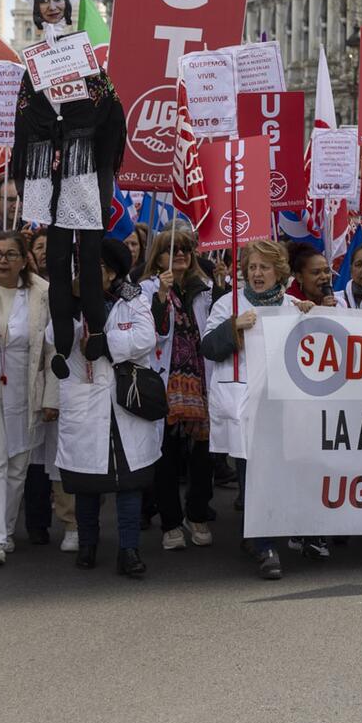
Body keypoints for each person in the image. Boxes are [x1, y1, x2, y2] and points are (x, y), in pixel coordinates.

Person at [11, 0, 127, 383]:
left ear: (68, 2)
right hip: (48, 166)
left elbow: (110, 108)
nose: (53, 5)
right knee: (57, 256)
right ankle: (62, 340)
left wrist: (81, 129)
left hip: (80, 164)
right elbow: (25, 114)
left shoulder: (85, 57)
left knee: (90, 249)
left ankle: (95, 329)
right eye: (45, 0)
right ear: (36, 8)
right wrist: (49, 132)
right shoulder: (32, 62)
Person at [200, 239, 310, 577]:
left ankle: (268, 535)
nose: (257, 273)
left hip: (282, 407)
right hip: (246, 405)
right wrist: (233, 328)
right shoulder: (228, 304)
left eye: (264, 267)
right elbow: (207, 347)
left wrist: (313, 316)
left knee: (281, 475)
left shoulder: (294, 305)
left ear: (280, 271)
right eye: (251, 267)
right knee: (254, 477)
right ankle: (265, 548)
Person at [51, 238, 159, 579]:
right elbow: (51, 340)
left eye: (95, 267)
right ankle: (88, 544)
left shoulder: (133, 298)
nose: (85, 273)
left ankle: (128, 549)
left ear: (111, 272)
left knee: (128, 481)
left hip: (125, 401)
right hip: (85, 399)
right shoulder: (67, 300)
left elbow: (146, 338)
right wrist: (72, 314)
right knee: (87, 481)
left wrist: (106, 343)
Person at [0, 231, 55, 565]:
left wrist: (52, 397)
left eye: (9, 255)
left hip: (25, 388)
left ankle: (5, 530)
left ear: (24, 260)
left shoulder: (41, 293)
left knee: (18, 463)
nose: (1, 261)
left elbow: (51, 351)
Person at [146, 229, 219, 552]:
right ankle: (171, 522)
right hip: (165, 382)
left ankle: (198, 513)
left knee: (204, 454)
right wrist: (160, 298)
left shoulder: (205, 289)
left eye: (185, 251)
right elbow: (152, 333)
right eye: (171, 251)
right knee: (166, 455)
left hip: (202, 382)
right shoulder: (146, 289)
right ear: (158, 257)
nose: (179, 256)